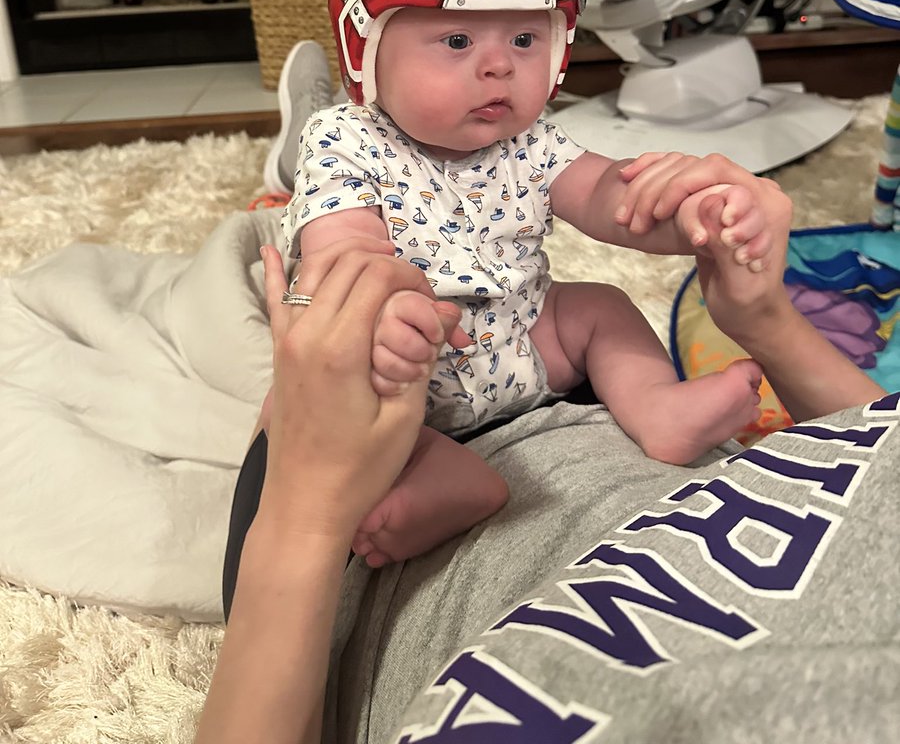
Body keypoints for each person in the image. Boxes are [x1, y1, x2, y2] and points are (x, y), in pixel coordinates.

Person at [199, 187, 891, 744]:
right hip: (604, 416)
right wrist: (763, 317)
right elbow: (880, 452)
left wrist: (307, 513)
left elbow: (581, 186)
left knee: (322, 357)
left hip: (358, 522)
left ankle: (296, 191)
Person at [279, 0, 784, 570]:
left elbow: (611, 200)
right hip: (410, 369)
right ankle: (442, 478)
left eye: (524, 39)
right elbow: (344, 253)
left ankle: (656, 407)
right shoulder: (343, 139)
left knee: (599, 307)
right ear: (367, 42)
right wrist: (384, 311)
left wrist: (693, 212)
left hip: (523, 346)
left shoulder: (531, 139)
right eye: (457, 41)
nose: (500, 68)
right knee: (314, 403)